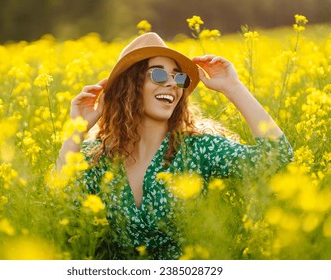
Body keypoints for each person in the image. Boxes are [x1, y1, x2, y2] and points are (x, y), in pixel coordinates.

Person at [56, 32, 293, 259]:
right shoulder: (97, 157)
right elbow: (60, 207)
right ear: (130, 85)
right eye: (158, 75)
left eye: (179, 77)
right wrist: (76, 131)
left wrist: (233, 87)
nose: (172, 84)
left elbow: (277, 158)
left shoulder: (198, 149)